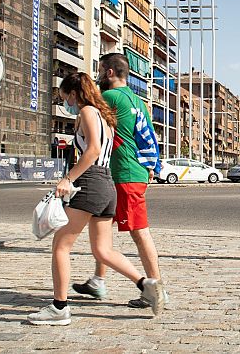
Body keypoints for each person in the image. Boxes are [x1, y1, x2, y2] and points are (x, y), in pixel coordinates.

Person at [27, 73, 161, 325]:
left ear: (74, 93)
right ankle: (146, 284)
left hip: (91, 182)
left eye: (64, 96)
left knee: (61, 245)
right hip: (107, 184)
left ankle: (59, 308)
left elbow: (93, 150)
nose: (64, 102)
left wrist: (68, 179)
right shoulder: (105, 118)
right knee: (102, 249)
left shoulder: (88, 112)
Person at [72, 53, 168, 313]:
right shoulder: (137, 100)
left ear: (111, 73)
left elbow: (85, 119)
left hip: (123, 173)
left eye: (100, 70)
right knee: (100, 228)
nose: (98, 76)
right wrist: (152, 166)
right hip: (129, 172)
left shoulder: (110, 98)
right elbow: (147, 137)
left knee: (139, 233)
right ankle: (98, 280)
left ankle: (156, 289)